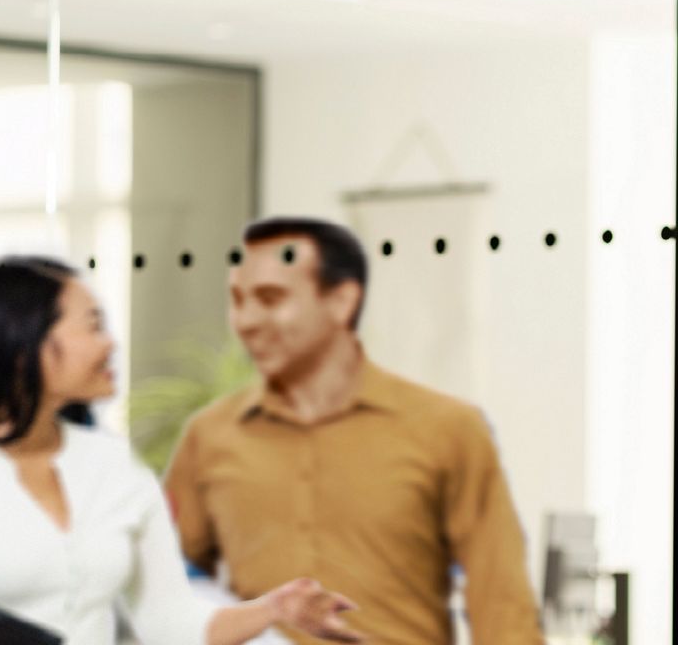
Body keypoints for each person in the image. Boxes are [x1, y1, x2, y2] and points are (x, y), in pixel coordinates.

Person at [0, 256, 365, 645]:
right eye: (93, 326)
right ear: (23, 341)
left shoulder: (114, 466)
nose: (110, 343)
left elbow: (169, 622)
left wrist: (273, 609)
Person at [165, 217, 545, 645]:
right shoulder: (209, 436)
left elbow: (502, 601)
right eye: (238, 300)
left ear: (342, 301)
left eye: (270, 298)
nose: (246, 320)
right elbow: (163, 595)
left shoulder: (449, 428)